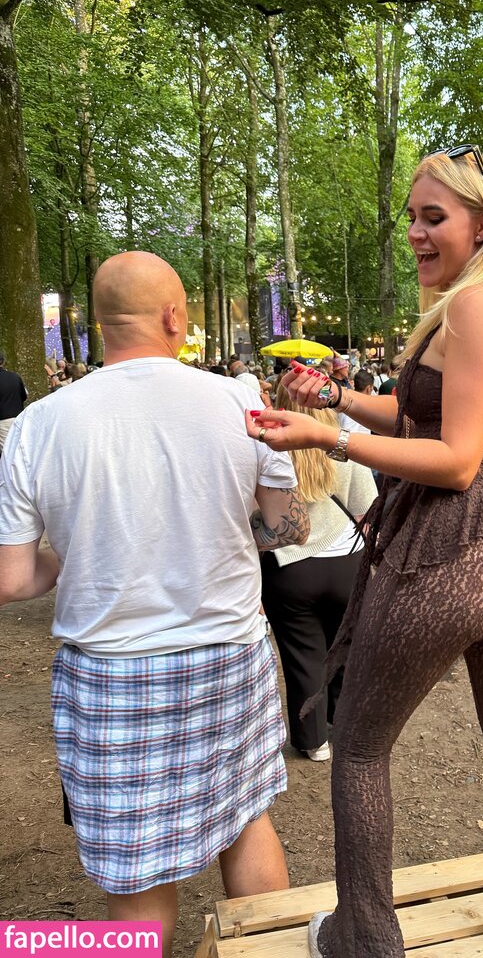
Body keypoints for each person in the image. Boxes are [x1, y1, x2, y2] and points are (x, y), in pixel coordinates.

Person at [245, 147, 483, 958]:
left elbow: (457, 460)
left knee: (358, 748)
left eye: (435, 218)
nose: (417, 235)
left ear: (482, 224)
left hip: (453, 552)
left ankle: (363, 939)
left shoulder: (476, 304)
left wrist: (328, 438)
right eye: (412, 218)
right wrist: (338, 401)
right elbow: (421, 420)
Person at [0, 252, 310, 956]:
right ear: (174, 317)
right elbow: (285, 527)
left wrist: (79, 552)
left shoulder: (39, 423)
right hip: (228, 653)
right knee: (246, 822)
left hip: (110, 671)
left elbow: (11, 580)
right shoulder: (239, 401)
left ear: (100, 321)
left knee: (137, 873)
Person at [261, 384, 377, 763]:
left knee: (302, 657)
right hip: (346, 561)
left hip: (289, 567)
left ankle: (313, 741)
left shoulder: (267, 450)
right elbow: (366, 508)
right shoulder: (344, 447)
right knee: (343, 648)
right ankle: (342, 720)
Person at [0, 350, 27, 456]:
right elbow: (24, 396)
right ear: (3, 361)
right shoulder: (15, 377)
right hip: (17, 418)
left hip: (3, 421)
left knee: (9, 454)